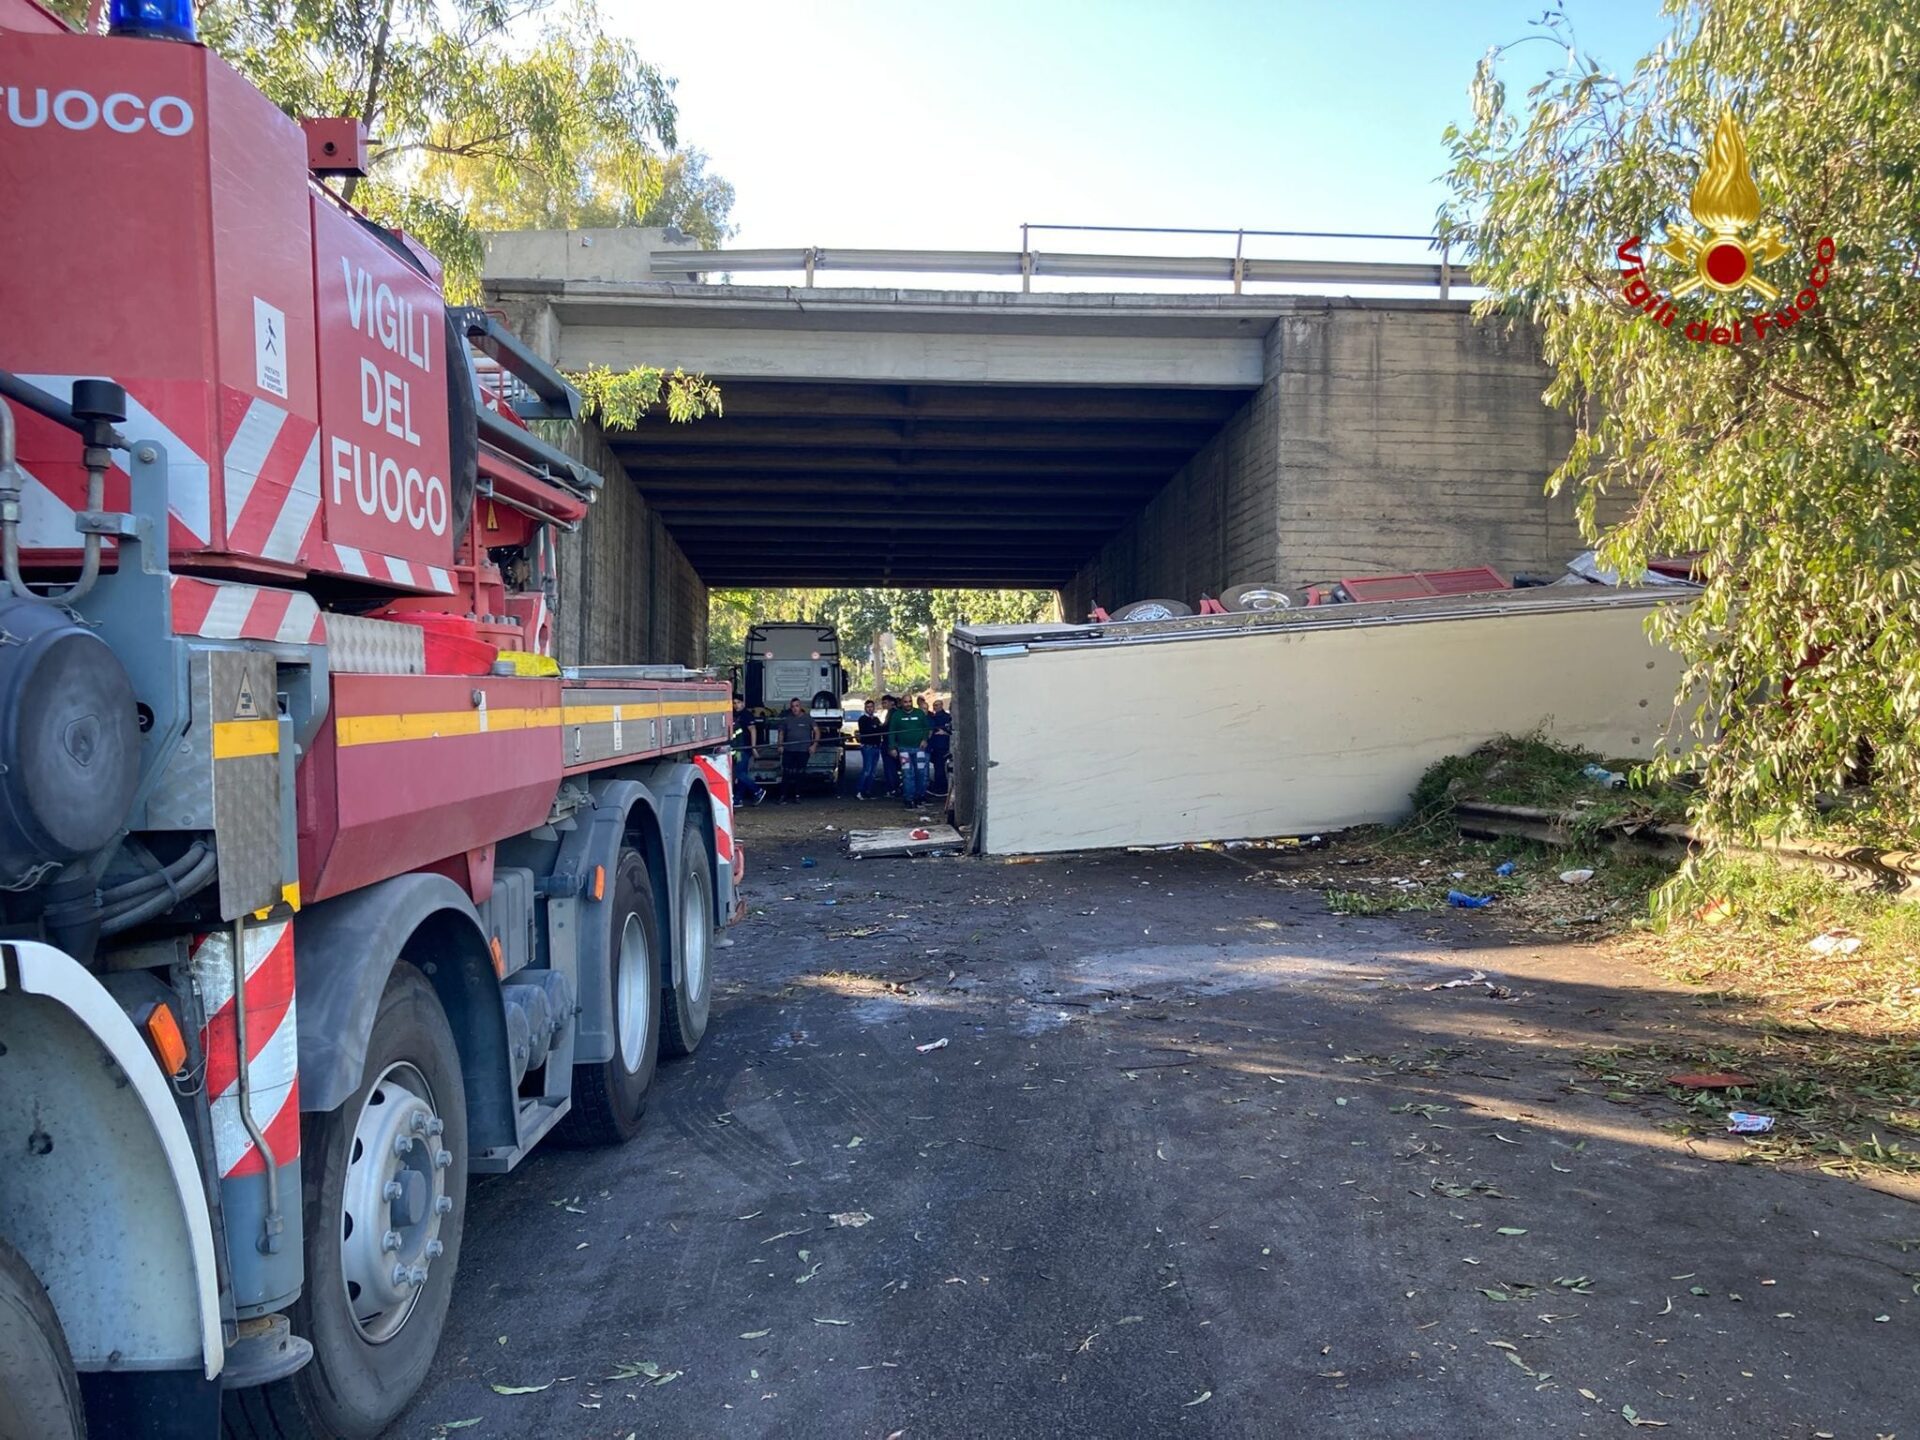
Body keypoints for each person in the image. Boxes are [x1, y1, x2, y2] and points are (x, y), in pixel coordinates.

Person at [889, 692, 932, 808]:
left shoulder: (919, 713)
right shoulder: (897, 715)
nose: (908, 704)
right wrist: (892, 747)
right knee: (907, 774)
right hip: (903, 749)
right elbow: (891, 732)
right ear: (901, 703)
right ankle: (908, 798)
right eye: (905, 702)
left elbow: (926, 728)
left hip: (919, 749)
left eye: (909, 702)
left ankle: (920, 796)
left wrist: (924, 739)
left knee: (921, 773)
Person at [776, 696, 815, 804]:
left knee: (800, 773)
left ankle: (798, 795)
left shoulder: (808, 718)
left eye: (797, 706)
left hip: (803, 750)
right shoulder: (787, 720)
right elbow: (781, 733)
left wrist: (814, 745)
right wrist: (780, 745)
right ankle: (783, 796)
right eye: (793, 706)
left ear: (800, 706)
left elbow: (817, 730)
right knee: (787, 773)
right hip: (789, 750)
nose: (795, 708)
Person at [730, 698, 766, 806]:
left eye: (739, 703)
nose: (736, 705)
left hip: (744, 748)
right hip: (738, 749)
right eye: (734, 703)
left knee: (739, 773)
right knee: (742, 773)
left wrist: (753, 747)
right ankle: (738, 799)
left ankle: (757, 790)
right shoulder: (735, 715)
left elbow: (753, 730)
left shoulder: (746, 715)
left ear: (743, 703)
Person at [855, 698, 887, 799]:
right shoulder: (862, 719)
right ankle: (859, 791)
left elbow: (881, 729)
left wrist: (876, 728)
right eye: (868, 707)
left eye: (871, 707)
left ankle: (867, 791)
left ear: (874, 708)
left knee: (873, 771)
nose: (870, 709)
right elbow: (866, 731)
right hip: (867, 747)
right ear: (865, 708)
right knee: (867, 770)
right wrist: (876, 728)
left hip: (876, 746)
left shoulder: (876, 719)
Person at [878, 695, 903, 796]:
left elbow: (889, 729)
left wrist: (879, 727)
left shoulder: (893, 713)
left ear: (891, 703)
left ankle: (892, 788)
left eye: (885, 703)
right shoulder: (893, 713)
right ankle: (895, 787)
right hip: (892, 743)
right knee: (894, 768)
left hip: (889, 744)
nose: (883, 705)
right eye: (883, 703)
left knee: (890, 767)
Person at [927, 697, 953, 795]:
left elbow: (951, 731)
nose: (935, 707)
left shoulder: (947, 717)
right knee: (938, 767)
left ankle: (941, 787)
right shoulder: (933, 717)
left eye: (937, 705)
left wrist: (945, 732)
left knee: (941, 768)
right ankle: (940, 786)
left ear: (942, 705)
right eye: (934, 705)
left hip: (943, 746)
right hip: (935, 746)